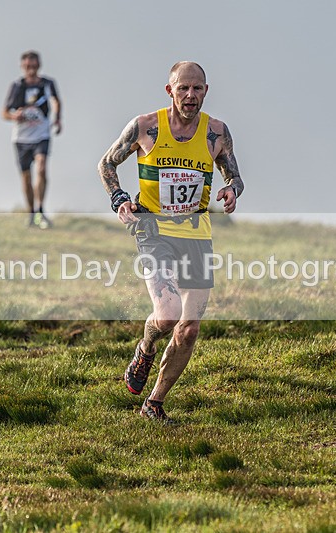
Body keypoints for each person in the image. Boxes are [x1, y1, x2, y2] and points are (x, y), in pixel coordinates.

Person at [97, 61, 245, 423]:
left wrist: (231, 190)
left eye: (197, 89)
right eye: (183, 89)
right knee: (167, 315)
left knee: (190, 328)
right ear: (170, 91)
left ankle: (155, 402)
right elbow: (107, 164)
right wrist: (120, 199)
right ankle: (145, 348)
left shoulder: (217, 132)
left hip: (197, 235)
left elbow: (235, 176)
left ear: (206, 91)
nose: (190, 96)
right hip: (153, 231)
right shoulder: (146, 126)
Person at [2, 50, 62, 229]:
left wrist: (58, 118)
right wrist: (15, 116)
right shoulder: (17, 86)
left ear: (39, 65)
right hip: (21, 138)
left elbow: (56, 101)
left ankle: (41, 209)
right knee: (26, 176)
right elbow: (4, 112)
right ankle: (31, 213)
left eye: (34, 65)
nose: (31, 68)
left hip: (41, 135)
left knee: (42, 168)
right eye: (28, 65)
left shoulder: (47, 84)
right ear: (22, 66)